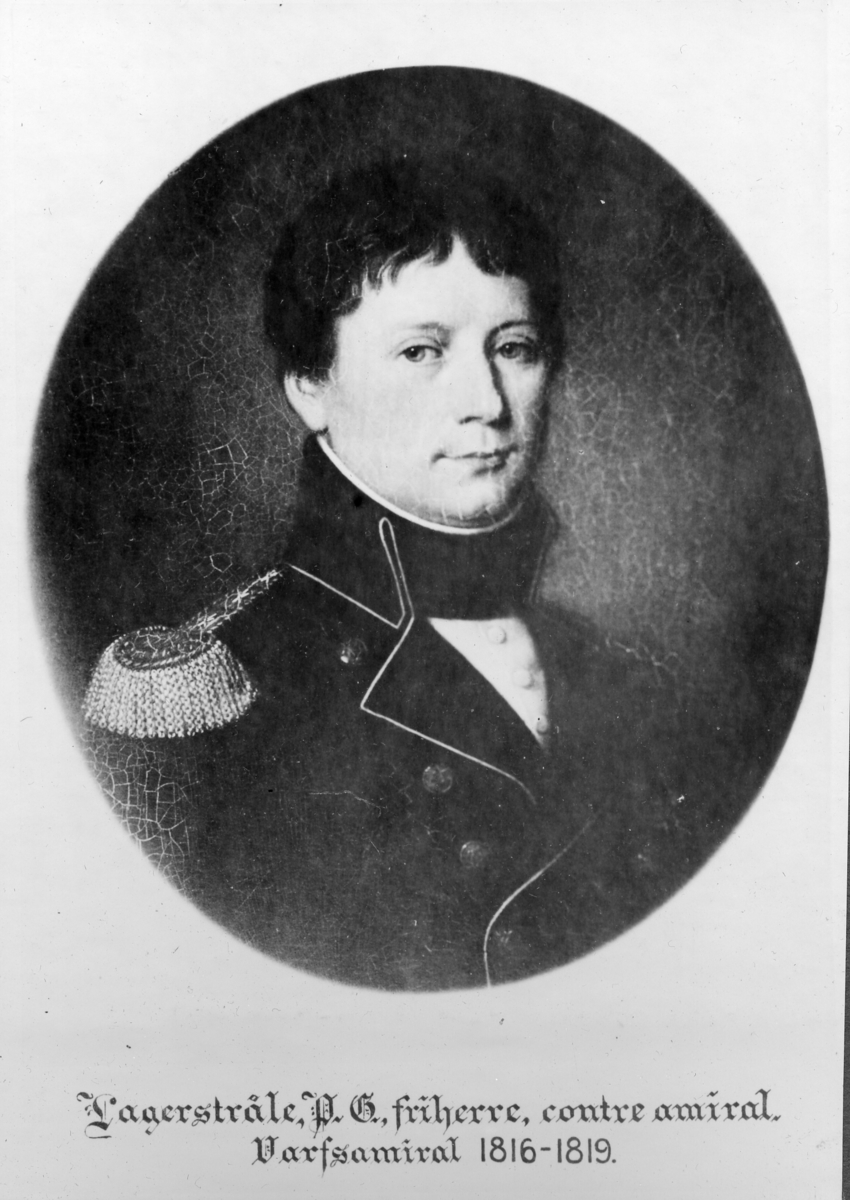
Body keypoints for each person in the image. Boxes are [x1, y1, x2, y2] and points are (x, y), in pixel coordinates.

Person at [83, 160, 708, 990]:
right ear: (311, 388)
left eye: (514, 348)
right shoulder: (202, 694)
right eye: (422, 351)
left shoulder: (620, 677)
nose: (487, 401)